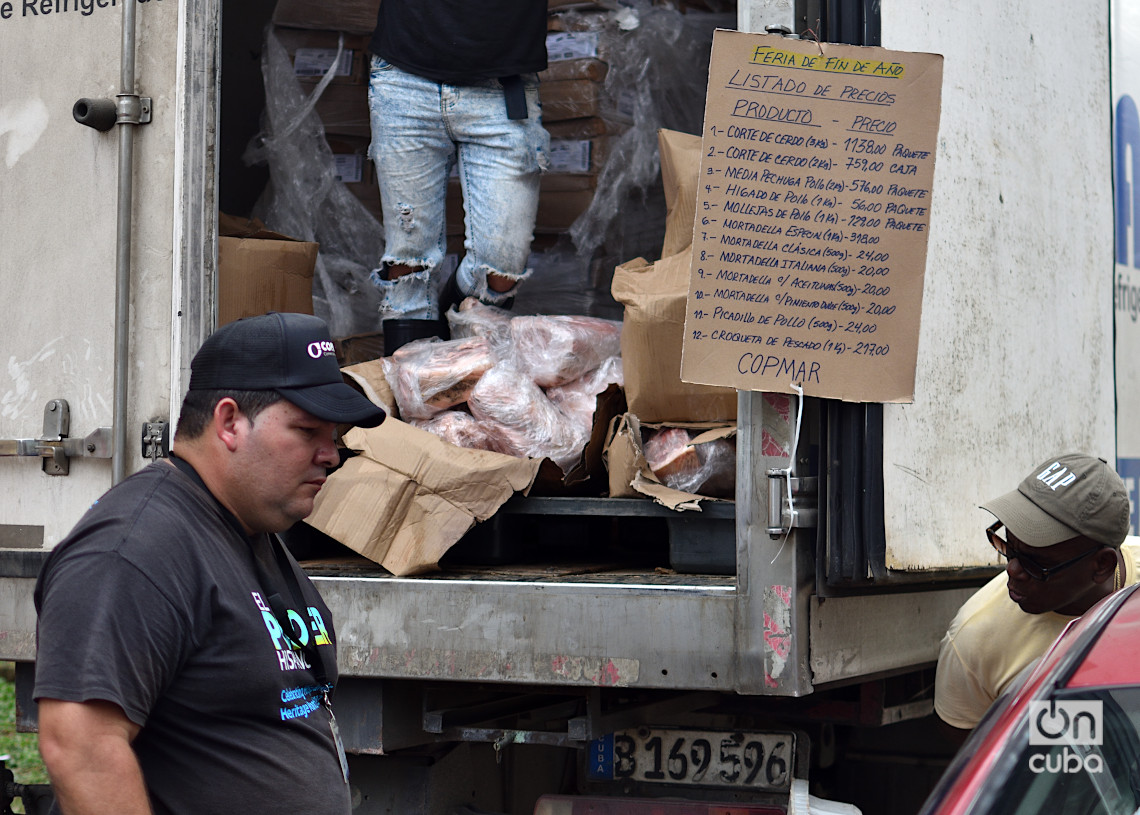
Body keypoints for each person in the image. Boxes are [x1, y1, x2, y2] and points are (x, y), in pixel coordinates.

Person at [33, 312, 385, 815]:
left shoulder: (249, 524)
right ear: (229, 422)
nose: (330, 454)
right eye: (308, 430)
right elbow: (81, 746)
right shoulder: (135, 550)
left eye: (334, 435)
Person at [366, 0, 550, 332]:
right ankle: (409, 375)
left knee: (501, 270)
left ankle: (448, 345)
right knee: (409, 259)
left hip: (503, 88)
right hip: (405, 79)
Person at [935, 453, 1140, 731]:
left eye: (1036, 563)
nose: (1013, 570)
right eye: (1009, 547)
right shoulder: (974, 640)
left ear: (1102, 565)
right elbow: (974, 756)